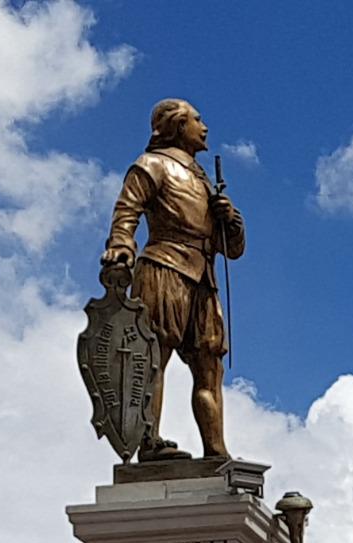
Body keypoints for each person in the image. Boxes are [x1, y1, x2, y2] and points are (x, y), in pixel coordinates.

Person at [101, 98, 244, 461]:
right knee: (154, 355)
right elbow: (127, 210)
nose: (205, 126)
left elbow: (233, 249)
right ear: (179, 126)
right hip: (164, 266)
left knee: (210, 366)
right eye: (198, 119)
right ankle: (148, 441)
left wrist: (230, 220)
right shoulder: (152, 165)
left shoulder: (204, 181)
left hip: (203, 277)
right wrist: (120, 245)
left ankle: (216, 450)